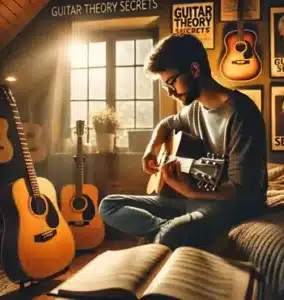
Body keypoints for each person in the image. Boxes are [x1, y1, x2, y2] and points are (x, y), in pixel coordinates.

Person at [99, 33, 268, 251]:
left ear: (195, 70)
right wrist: (152, 149)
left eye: (172, 82)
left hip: (227, 205)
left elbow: (242, 191)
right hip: (191, 200)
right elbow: (166, 125)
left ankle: (167, 232)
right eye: (165, 86)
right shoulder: (193, 110)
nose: (170, 92)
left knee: (172, 233)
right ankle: (163, 229)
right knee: (109, 204)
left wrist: (188, 191)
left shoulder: (241, 113)